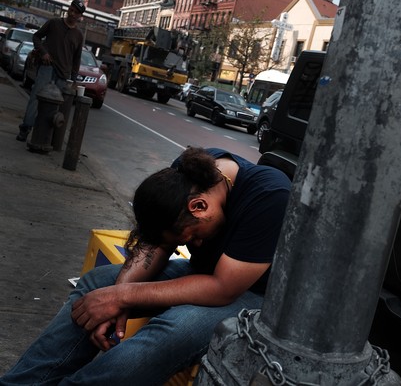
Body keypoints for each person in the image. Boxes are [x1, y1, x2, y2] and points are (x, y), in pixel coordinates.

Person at [0, 147, 291, 384]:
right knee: (96, 284)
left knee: (176, 327)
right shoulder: (185, 172)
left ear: (200, 206)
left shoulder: (270, 196)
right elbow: (158, 243)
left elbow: (222, 288)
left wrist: (120, 297)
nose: (196, 246)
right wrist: (118, 300)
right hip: (208, 276)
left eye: (193, 237)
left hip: (258, 298)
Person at [16, 0, 85, 142]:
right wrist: (43, 52)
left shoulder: (79, 35)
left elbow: (76, 59)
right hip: (47, 68)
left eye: (76, 12)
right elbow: (36, 37)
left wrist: (74, 79)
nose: (72, 14)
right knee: (36, 99)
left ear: (80, 16)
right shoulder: (54, 23)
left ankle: (44, 136)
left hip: (63, 76)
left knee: (54, 107)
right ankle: (25, 129)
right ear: (68, 9)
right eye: (71, 10)